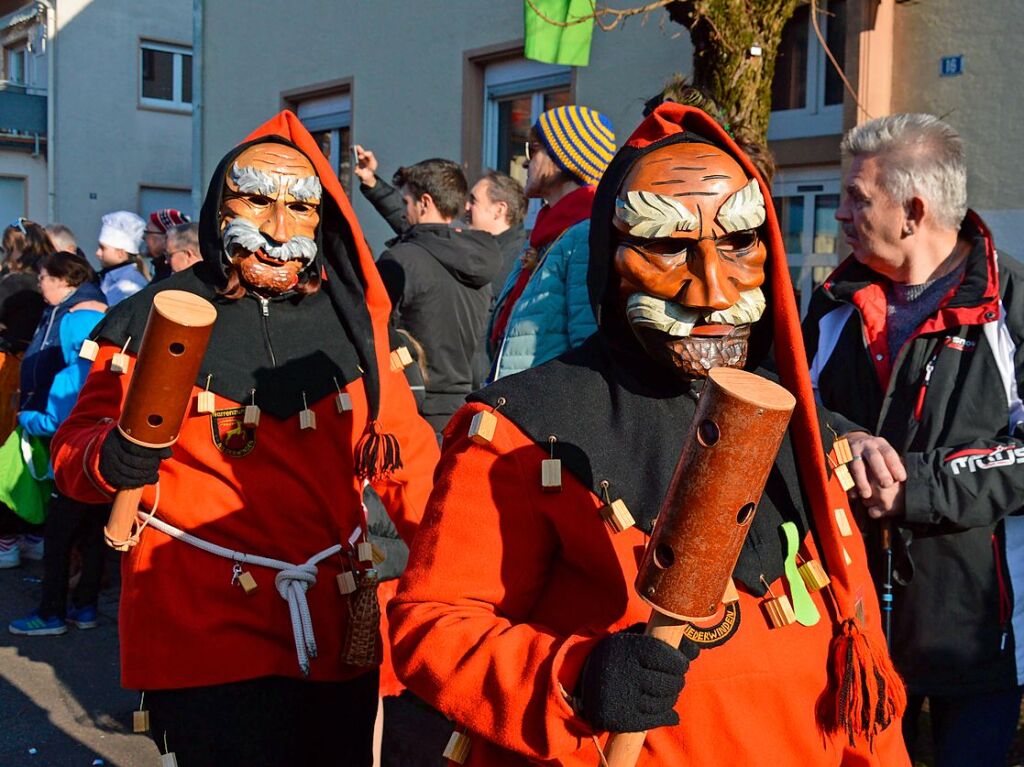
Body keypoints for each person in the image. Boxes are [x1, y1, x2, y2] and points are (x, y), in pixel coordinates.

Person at [388, 103, 909, 766]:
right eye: (667, 246)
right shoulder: (521, 428)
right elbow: (435, 625)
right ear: (614, 256)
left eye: (738, 241)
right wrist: (577, 676)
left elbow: (859, 660)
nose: (712, 286)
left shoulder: (802, 426)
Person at [50, 111, 438, 766]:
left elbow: (412, 466)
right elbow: (73, 453)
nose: (278, 229)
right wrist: (108, 455)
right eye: (256, 200)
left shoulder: (357, 328)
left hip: (333, 618)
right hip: (201, 623)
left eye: (299, 206)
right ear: (218, 206)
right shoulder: (152, 314)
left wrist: (470, 577)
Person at [803, 113, 1024, 767]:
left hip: (979, 638)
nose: (839, 213)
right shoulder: (832, 300)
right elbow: (793, 409)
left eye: (855, 198)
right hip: (850, 627)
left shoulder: (1012, 302)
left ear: (914, 211)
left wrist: (915, 487)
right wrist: (848, 438)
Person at [5, 251, 106, 620]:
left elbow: (78, 384)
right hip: (87, 434)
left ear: (64, 280)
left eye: (44, 278)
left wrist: (39, 420)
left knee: (64, 532)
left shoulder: (80, 317)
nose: (40, 285)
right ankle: (84, 609)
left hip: (75, 438)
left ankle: (51, 614)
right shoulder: (78, 311)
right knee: (89, 528)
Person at [487, 105, 615, 381]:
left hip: (542, 412)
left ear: (563, 157)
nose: (524, 162)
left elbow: (587, 346)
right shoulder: (548, 229)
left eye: (533, 150)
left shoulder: (584, 234)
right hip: (521, 400)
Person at [372, 159, 501, 435]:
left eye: (406, 202)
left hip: (414, 409)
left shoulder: (401, 260)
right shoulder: (478, 260)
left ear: (425, 202)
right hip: (468, 411)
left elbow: (371, 333)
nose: (404, 213)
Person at [0, 218, 49, 443]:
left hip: (8, 359)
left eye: (6, 249)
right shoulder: (43, 277)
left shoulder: (16, 282)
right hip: (28, 360)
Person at [466, 170, 527, 294]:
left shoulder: (516, 259)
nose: (467, 207)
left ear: (499, 210)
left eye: (473, 201)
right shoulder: (481, 248)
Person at [95, 211, 149, 305]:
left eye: (103, 248)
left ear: (121, 253)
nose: (97, 253)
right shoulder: (110, 277)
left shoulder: (129, 286)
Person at [145, 208, 191, 282]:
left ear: (167, 237)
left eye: (147, 232)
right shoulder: (161, 270)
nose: (143, 237)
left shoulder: (174, 275)